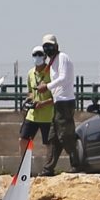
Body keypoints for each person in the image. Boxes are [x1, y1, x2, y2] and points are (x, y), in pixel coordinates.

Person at [37, 33, 80, 175]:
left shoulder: (62, 58)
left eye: (50, 46)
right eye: (45, 47)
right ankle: (48, 168)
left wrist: (47, 86)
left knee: (65, 134)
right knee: (53, 137)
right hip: (58, 102)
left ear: (56, 46)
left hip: (65, 102)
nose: (48, 49)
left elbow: (63, 78)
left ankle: (77, 164)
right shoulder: (53, 62)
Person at [18, 46, 54, 160]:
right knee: (23, 139)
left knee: (48, 143)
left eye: (40, 54)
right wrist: (29, 100)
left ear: (44, 56)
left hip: (47, 116)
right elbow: (30, 92)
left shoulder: (51, 72)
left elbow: (56, 97)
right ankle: (24, 166)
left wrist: (43, 103)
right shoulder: (30, 73)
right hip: (32, 115)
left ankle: (48, 168)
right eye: (35, 55)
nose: (37, 57)